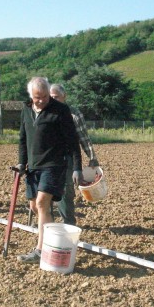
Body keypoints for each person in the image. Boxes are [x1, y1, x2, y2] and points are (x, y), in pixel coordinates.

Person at [16, 77, 83, 264]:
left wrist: (77, 167)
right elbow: (23, 139)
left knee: (42, 203)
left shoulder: (60, 110)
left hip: (54, 165)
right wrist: (22, 163)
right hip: (33, 167)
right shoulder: (26, 110)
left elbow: (73, 141)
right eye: (38, 97)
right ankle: (53, 238)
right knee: (34, 207)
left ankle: (40, 250)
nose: (42, 100)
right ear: (31, 95)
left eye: (45, 96)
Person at [50, 83, 99, 225]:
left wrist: (92, 158)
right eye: (51, 97)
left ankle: (68, 224)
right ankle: (47, 224)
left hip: (67, 158)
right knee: (45, 192)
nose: (53, 100)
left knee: (65, 192)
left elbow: (84, 138)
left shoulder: (74, 114)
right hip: (47, 159)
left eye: (56, 97)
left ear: (64, 97)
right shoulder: (44, 112)